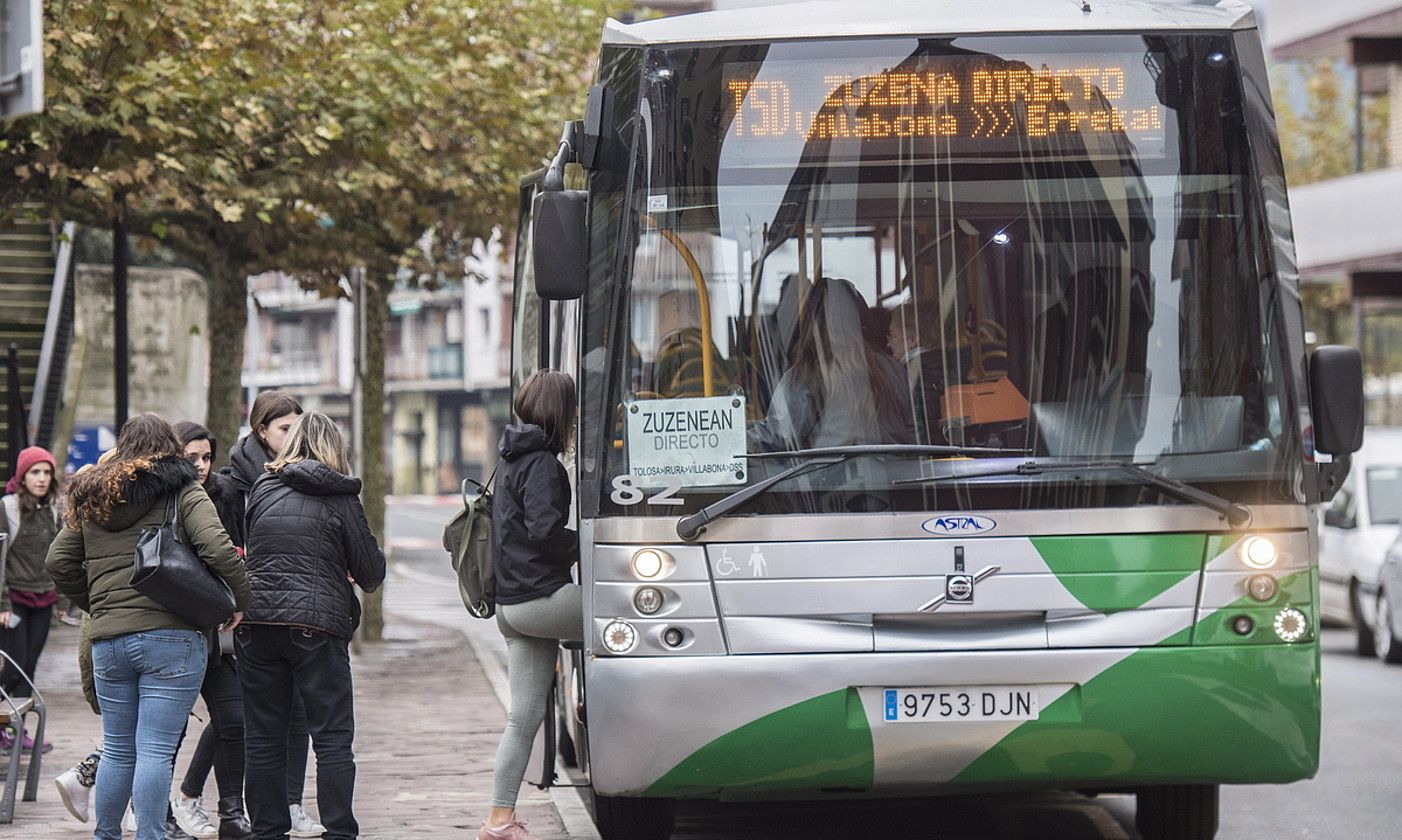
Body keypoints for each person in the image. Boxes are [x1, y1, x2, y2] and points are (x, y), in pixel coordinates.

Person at [45, 413, 251, 840]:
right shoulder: (182, 490)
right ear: (170, 451)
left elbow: (57, 561)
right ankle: (151, 835)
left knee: (119, 749)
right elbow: (218, 549)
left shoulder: (92, 495)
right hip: (172, 637)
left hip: (109, 643)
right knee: (154, 750)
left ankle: (106, 834)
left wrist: (99, 602)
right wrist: (240, 600)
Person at [237, 411, 385, 840]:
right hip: (316, 627)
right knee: (332, 738)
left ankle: (268, 831)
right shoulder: (341, 496)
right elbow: (371, 573)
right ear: (334, 448)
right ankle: (339, 831)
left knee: (264, 738)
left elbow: (258, 550)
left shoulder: (262, 487)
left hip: (257, 624)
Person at [478, 369, 582, 840]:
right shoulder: (542, 463)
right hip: (541, 600)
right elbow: (544, 531)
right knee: (631, 614)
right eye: (574, 408)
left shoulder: (510, 459)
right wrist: (589, 547)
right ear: (562, 412)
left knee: (523, 717)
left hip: (511, 609)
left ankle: (498, 821)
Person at [221, 390, 321, 837]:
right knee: (246, 719)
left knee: (298, 710)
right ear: (261, 431)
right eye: (284, 428)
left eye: (297, 427)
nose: (292, 436)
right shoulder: (232, 486)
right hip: (247, 614)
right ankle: (225, 806)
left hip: (293, 610)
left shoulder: (299, 473)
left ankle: (293, 803)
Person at [168, 421, 252, 839]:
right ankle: (161, 808)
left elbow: (235, 549)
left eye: (206, 457)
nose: (201, 466)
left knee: (233, 718)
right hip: (176, 630)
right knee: (167, 728)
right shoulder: (163, 499)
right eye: (191, 458)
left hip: (218, 631)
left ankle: (230, 813)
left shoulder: (226, 495)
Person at [748, 277, 914, 452]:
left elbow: (778, 437)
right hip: (895, 474)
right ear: (860, 319)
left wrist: (732, 438)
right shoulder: (894, 369)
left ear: (812, 325)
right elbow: (913, 432)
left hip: (831, 476)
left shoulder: (809, 373)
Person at [0, 445, 62, 753]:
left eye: (47, 472)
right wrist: (2, 604)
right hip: (14, 600)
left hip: (43, 599)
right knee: (14, 667)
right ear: (22, 476)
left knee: (30, 667)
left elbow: (60, 558)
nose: (41, 478)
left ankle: (17, 730)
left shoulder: (52, 509)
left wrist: (61, 597)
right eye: (35, 472)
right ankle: (3, 726)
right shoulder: (8, 507)